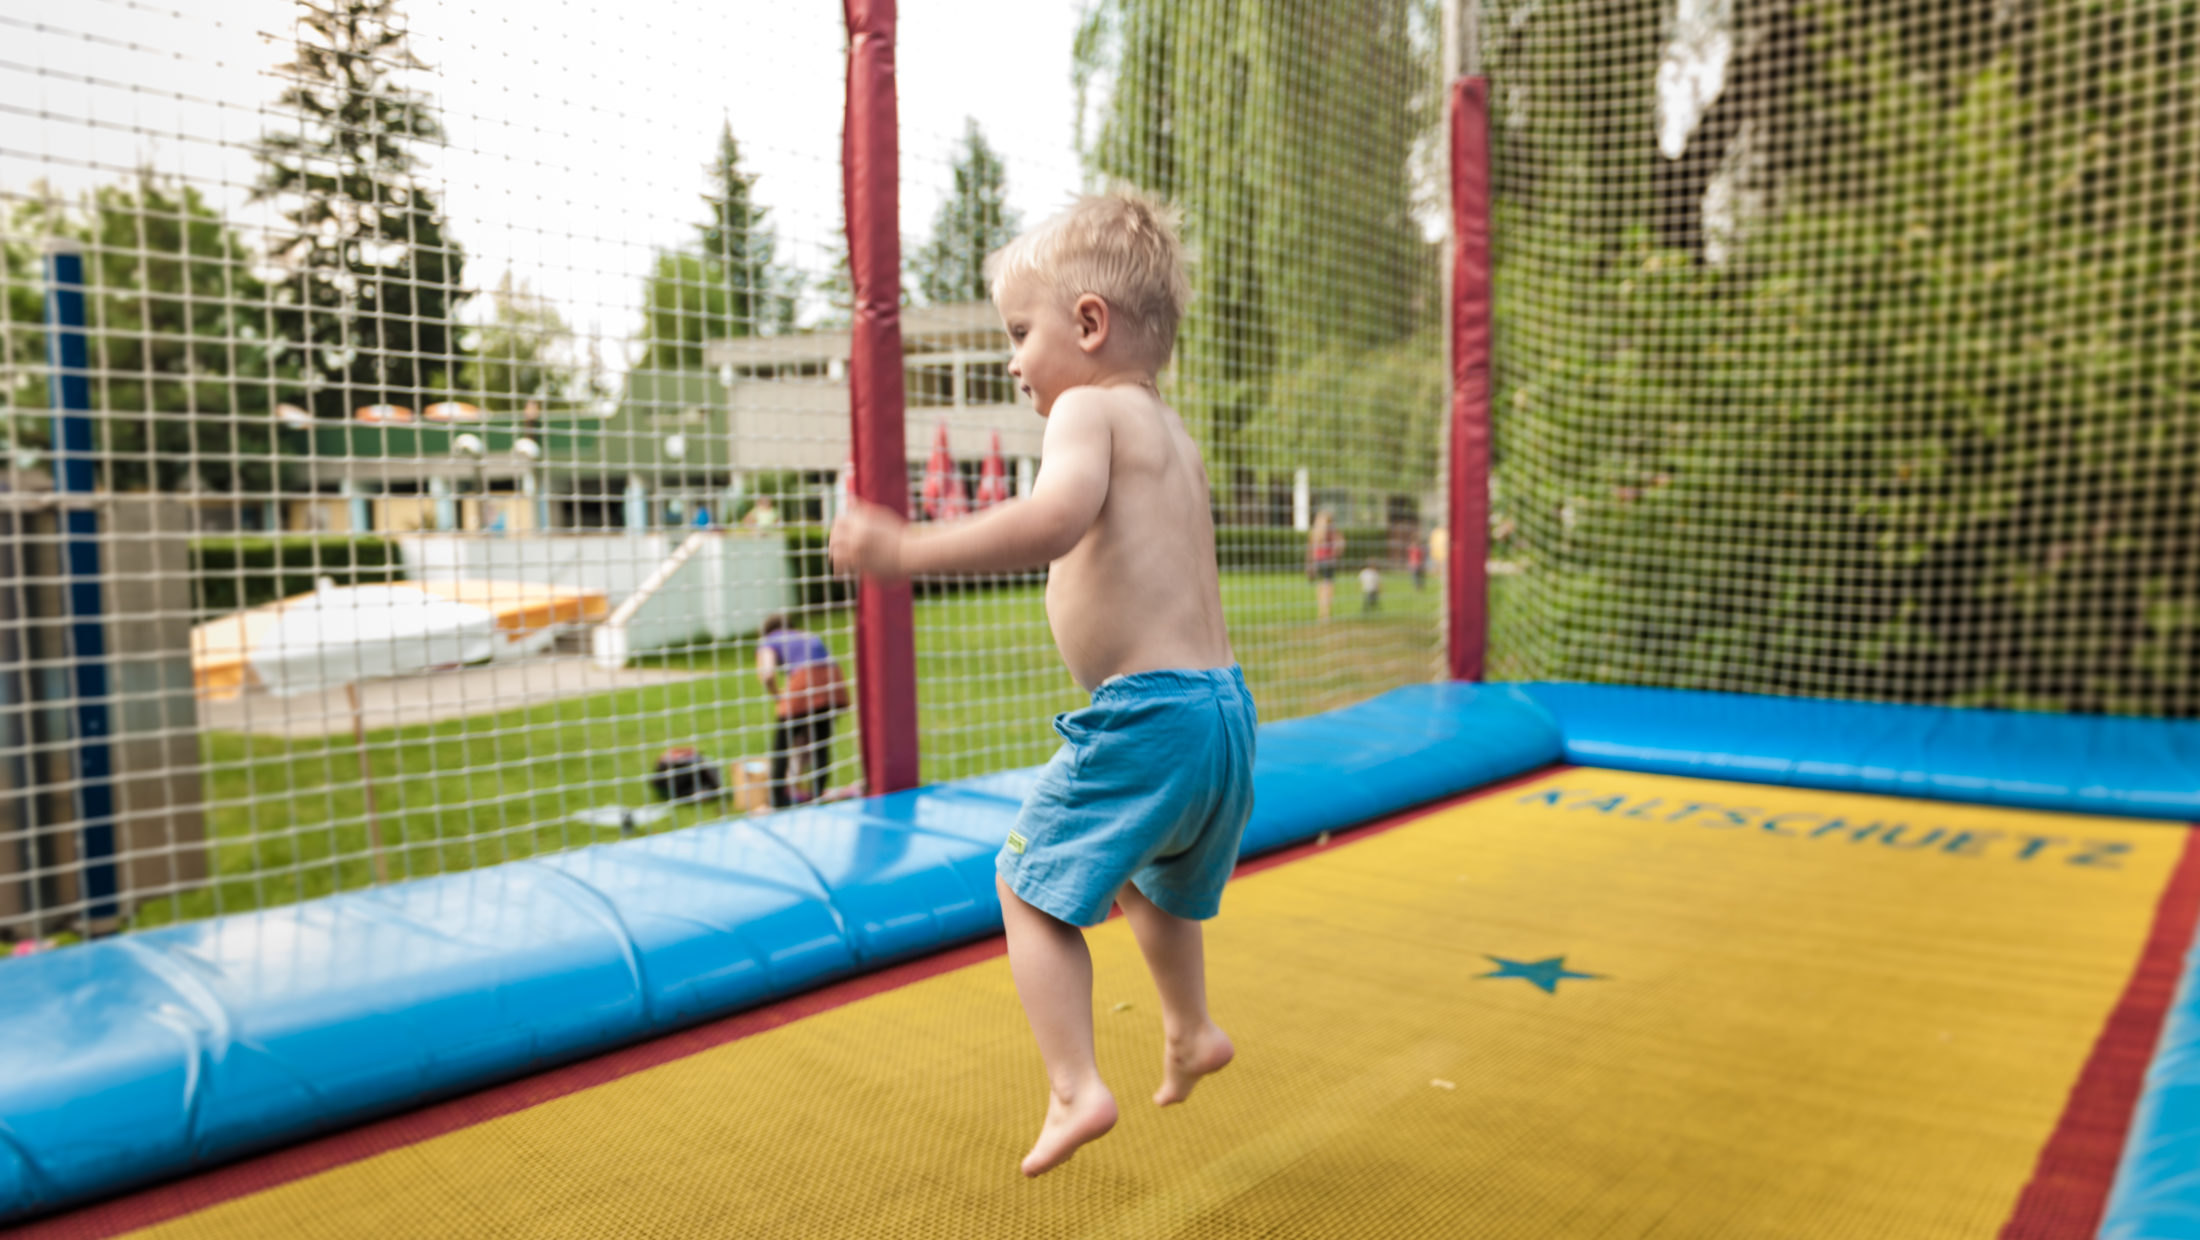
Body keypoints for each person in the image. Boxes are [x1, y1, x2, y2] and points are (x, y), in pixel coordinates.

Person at [830, 189, 1253, 1179]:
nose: (1014, 359)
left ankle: (1075, 1085)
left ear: (1090, 323)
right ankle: (1189, 1028)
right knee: (1158, 883)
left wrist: (907, 547)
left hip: (1146, 713)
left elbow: (1053, 522)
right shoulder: (1171, 435)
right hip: (1224, 715)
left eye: (1020, 333)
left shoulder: (1086, 412)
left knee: (1026, 889)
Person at [754, 614, 847, 807]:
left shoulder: (769, 641)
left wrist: (777, 695)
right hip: (833, 681)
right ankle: (817, 793)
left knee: (782, 746)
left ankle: (777, 800)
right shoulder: (807, 635)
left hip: (803, 683)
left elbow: (768, 673)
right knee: (820, 744)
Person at [1306, 508, 1343, 620]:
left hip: (1319, 561)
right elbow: (1341, 544)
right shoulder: (1333, 531)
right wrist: (1336, 554)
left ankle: (1321, 610)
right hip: (1329, 561)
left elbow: (1310, 548)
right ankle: (1326, 612)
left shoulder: (1315, 532)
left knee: (1321, 586)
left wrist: (1310, 562)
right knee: (1328, 585)